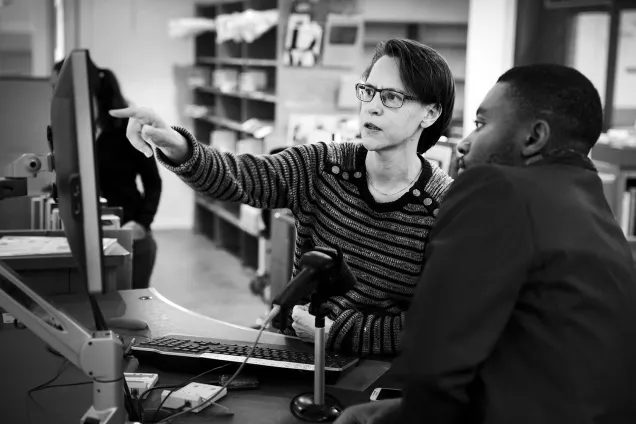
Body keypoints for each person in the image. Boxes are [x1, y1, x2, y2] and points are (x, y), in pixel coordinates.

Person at [110, 38, 456, 356]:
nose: (372, 108)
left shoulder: (445, 206)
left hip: (377, 374)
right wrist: (176, 144)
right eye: (368, 91)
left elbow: (436, 323)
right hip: (299, 351)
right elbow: (242, 177)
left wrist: (332, 332)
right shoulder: (325, 165)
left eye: (391, 97)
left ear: (431, 112)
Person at [335, 64, 636, 424]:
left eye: (480, 125)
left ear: (533, 137)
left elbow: (436, 359)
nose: (463, 143)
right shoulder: (597, 212)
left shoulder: (496, 188)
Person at [52, 58, 162, 289]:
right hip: (88, 237)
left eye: (57, 90)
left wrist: (143, 222)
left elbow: (153, 182)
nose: (54, 98)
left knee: (131, 310)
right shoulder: (74, 131)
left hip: (129, 234)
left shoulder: (128, 130)